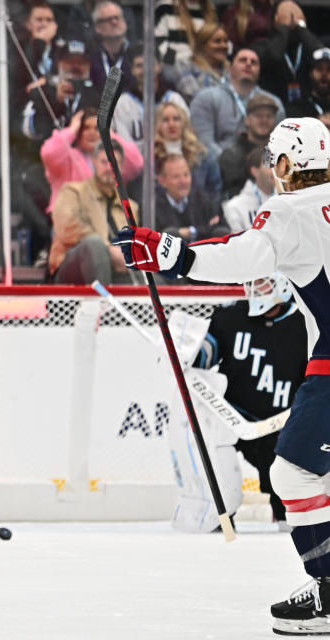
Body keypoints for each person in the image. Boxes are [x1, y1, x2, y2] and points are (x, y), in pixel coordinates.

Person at [115, 116, 330, 635]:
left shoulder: (290, 208)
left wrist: (172, 253)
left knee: (295, 474)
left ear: (284, 165)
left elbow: (244, 257)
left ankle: (328, 591)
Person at [192, 272, 307, 529]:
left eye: (262, 281)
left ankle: (287, 519)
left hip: (280, 426)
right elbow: (204, 357)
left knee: (286, 489)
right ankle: (218, 517)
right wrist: (184, 354)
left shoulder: (305, 325)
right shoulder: (231, 316)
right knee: (217, 471)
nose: (254, 288)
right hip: (232, 420)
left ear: (283, 282)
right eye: (251, 281)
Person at [48, 141, 132, 284]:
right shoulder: (73, 192)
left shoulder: (130, 206)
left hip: (117, 272)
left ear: (122, 167)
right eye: (104, 162)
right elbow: (66, 229)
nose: (109, 168)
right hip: (72, 269)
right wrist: (109, 250)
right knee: (94, 245)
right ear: (93, 162)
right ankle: (103, 304)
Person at [40, 106, 142, 214]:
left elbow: (136, 163)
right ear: (79, 131)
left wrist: (109, 133)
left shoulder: (112, 158)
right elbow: (49, 153)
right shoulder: (67, 158)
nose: (91, 132)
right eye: (86, 128)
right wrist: (72, 129)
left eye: (97, 128)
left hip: (108, 224)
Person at [190, 47, 285, 160]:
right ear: (230, 68)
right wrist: (230, 163)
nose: (248, 64)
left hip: (261, 168)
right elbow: (204, 143)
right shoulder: (206, 98)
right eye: (242, 60)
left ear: (259, 71)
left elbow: (280, 146)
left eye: (254, 62)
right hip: (220, 166)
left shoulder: (274, 104)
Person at [113, 44, 189, 158]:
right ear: (132, 70)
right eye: (139, 66)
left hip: (175, 162)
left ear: (159, 66)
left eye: (150, 64)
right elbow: (125, 148)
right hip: (137, 171)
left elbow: (187, 136)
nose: (146, 70)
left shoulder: (174, 99)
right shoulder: (123, 104)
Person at [254, 0, 321, 106]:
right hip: (274, 110)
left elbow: (322, 57)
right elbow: (274, 57)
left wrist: (302, 28)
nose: (291, 19)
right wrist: (283, 28)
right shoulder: (263, 46)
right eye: (285, 14)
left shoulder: (308, 45)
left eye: (295, 14)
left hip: (309, 110)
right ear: (275, 19)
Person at [153, 102, 221, 204]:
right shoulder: (151, 157)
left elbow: (214, 189)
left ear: (184, 122)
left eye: (176, 119)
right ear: (157, 125)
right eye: (165, 120)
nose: (171, 124)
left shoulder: (203, 155)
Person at [154, 153, 229, 244]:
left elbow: (222, 229)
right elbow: (159, 238)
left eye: (186, 175)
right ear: (162, 181)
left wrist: (188, 232)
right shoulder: (152, 208)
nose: (183, 181)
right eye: (176, 177)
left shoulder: (205, 199)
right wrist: (203, 230)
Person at [217, 93, 279, 199]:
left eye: (269, 116)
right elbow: (234, 196)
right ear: (247, 120)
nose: (264, 120)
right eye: (258, 116)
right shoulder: (232, 156)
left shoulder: (281, 152)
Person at [154, 0, 217, 77]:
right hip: (174, 66)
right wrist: (182, 60)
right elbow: (158, 42)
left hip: (204, 66)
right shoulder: (165, 7)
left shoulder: (210, 10)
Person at [175, 22, 231, 103]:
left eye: (226, 41)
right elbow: (194, 97)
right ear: (202, 45)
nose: (224, 45)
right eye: (217, 41)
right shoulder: (184, 66)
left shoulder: (231, 69)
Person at [223, 146, 274, 231]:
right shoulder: (235, 207)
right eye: (270, 165)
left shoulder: (288, 201)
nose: (276, 170)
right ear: (255, 171)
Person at [87, 1, 133, 93]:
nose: (114, 22)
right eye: (108, 19)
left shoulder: (136, 55)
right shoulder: (91, 59)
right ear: (97, 27)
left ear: (124, 21)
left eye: (117, 18)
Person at [286, 48, 330, 129]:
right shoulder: (297, 108)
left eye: (329, 69)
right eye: (319, 69)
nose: (324, 74)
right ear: (311, 73)